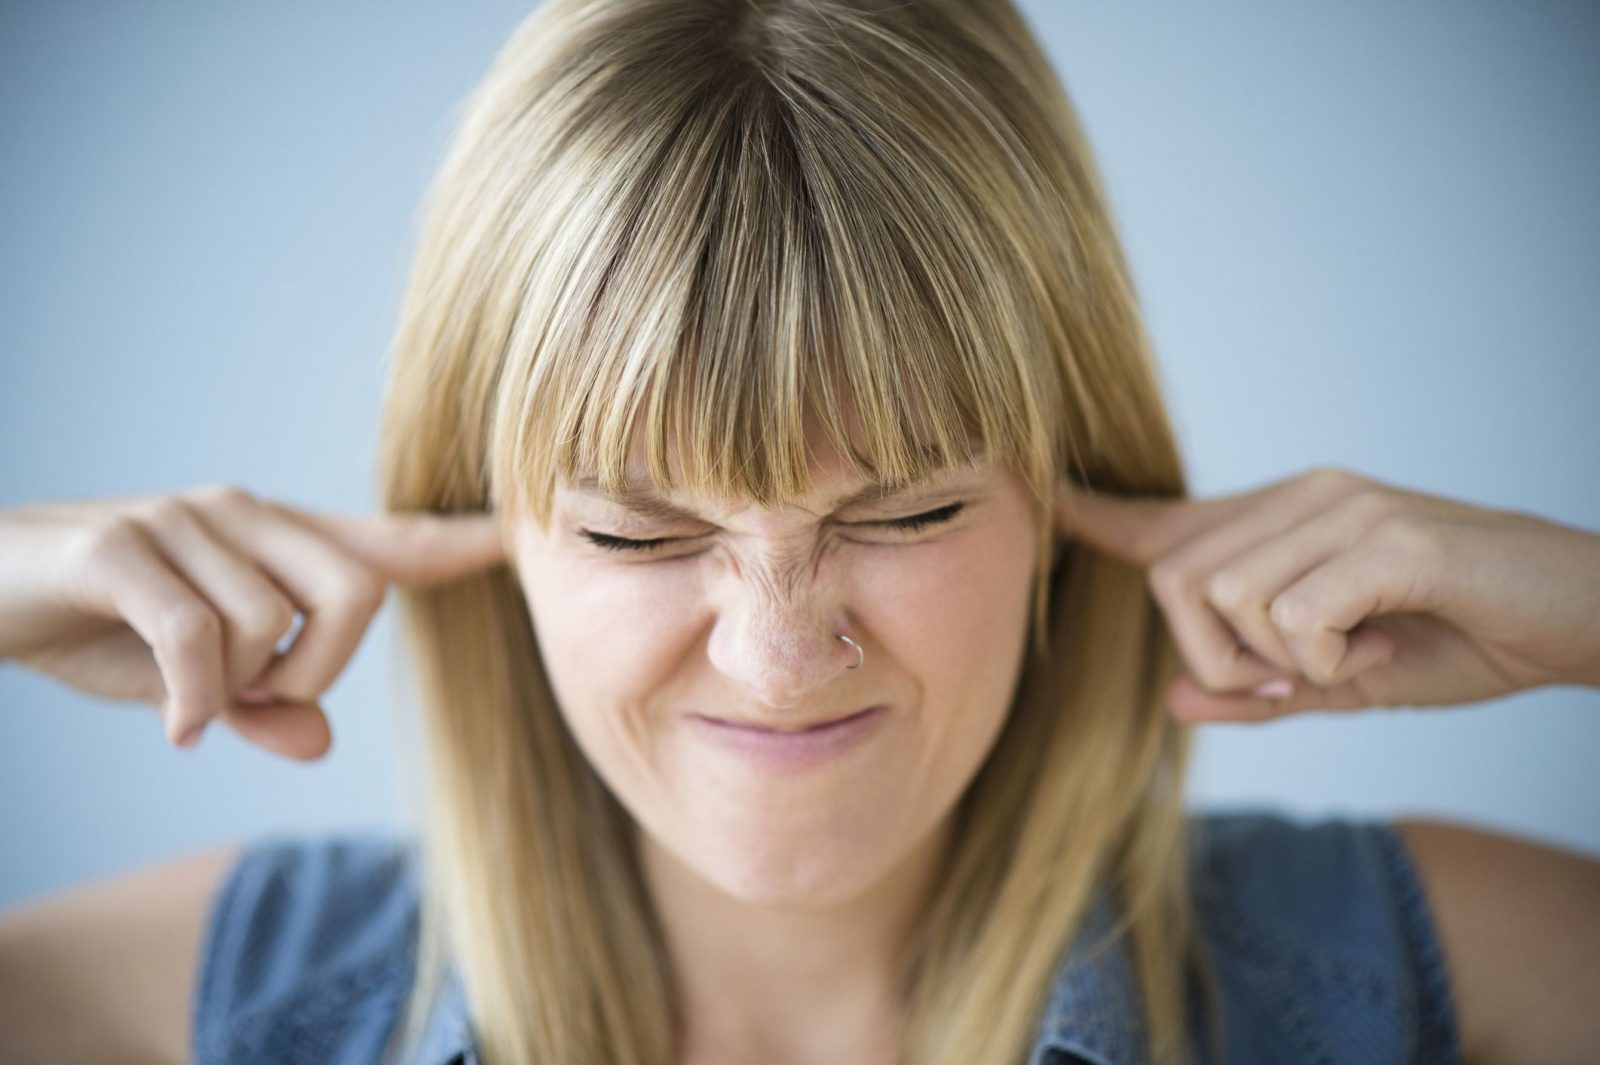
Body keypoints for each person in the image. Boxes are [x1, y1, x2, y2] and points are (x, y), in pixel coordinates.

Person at [1, 1, 1597, 1063]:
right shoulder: (220, 1002)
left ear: (1059, 496)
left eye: (905, 509)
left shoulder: (1406, 972)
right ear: (484, 522)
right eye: (636, 531)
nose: (776, 655)